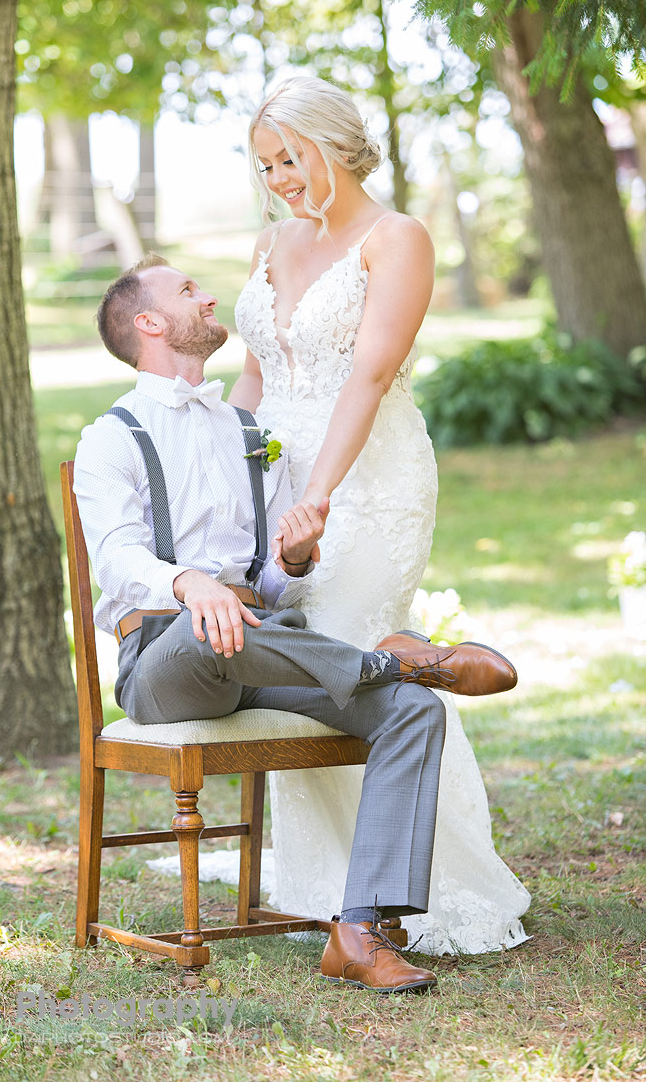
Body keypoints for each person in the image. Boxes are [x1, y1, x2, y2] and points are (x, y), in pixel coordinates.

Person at [74, 254, 518, 993]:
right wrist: (190, 586)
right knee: (209, 620)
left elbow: (270, 584)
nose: (210, 294)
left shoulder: (249, 430)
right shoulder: (111, 436)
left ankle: (358, 929)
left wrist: (296, 558)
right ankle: (393, 659)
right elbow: (114, 557)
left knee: (411, 711)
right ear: (148, 323)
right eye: (188, 291)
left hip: (260, 653)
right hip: (164, 659)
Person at [229, 75, 530, 954]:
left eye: (291, 158)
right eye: (264, 164)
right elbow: (257, 376)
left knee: (354, 656)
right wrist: (237, 473)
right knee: (300, 660)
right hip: (279, 479)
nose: (279, 178)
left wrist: (320, 490)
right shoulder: (270, 241)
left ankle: (420, 886)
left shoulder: (396, 238)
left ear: (336, 143)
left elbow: (366, 374)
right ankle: (321, 882)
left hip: (369, 475)